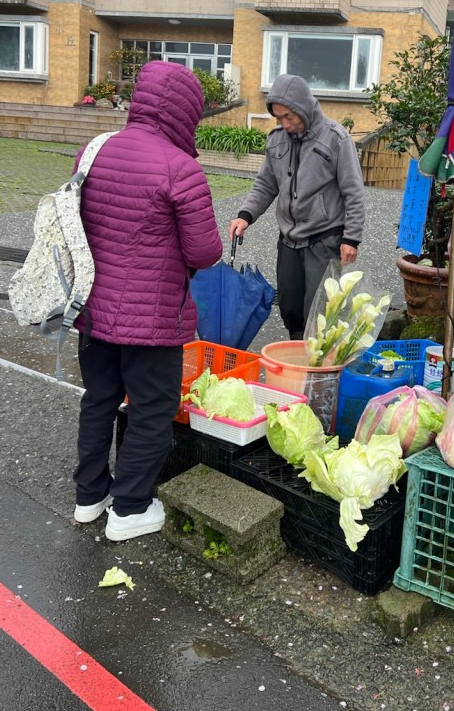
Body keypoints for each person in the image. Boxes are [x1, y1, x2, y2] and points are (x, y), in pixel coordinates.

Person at [73, 60, 223, 541]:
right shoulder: (182, 168)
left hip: (92, 311)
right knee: (152, 410)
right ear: (185, 112)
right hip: (152, 320)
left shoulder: (94, 150)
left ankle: (89, 496)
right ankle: (130, 508)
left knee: (99, 400)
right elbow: (205, 252)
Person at [229, 74, 365, 339]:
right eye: (279, 118)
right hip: (289, 240)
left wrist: (351, 238)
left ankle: (318, 361)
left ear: (303, 107)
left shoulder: (336, 139)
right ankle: (296, 353)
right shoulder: (277, 140)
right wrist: (245, 215)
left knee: (320, 311)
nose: (285, 124)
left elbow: (354, 192)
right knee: (290, 308)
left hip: (324, 238)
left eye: (289, 117)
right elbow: (265, 184)